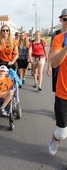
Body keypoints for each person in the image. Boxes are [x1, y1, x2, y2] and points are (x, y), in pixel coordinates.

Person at [48, 10, 67, 156]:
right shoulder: (59, 38)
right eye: (65, 19)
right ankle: (56, 138)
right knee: (62, 134)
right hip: (63, 93)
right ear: (61, 20)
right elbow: (54, 62)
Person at [47, 8, 67, 92]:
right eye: (65, 19)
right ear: (61, 20)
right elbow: (51, 51)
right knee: (58, 90)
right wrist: (49, 66)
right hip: (58, 67)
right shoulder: (56, 34)